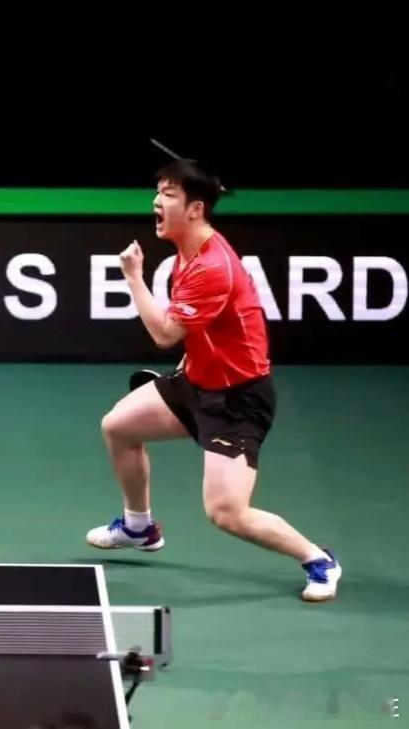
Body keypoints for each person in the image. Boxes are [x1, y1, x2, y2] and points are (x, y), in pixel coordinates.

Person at [85, 159, 342, 602]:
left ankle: (318, 559)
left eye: (168, 194)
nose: (156, 201)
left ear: (196, 208)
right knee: (119, 426)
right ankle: (138, 527)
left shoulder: (212, 267)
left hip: (237, 400)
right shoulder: (188, 253)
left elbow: (165, 334)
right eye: (158, 191)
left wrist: (133, 278)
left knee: (226, 512)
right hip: (197, 381)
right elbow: (205, 331)